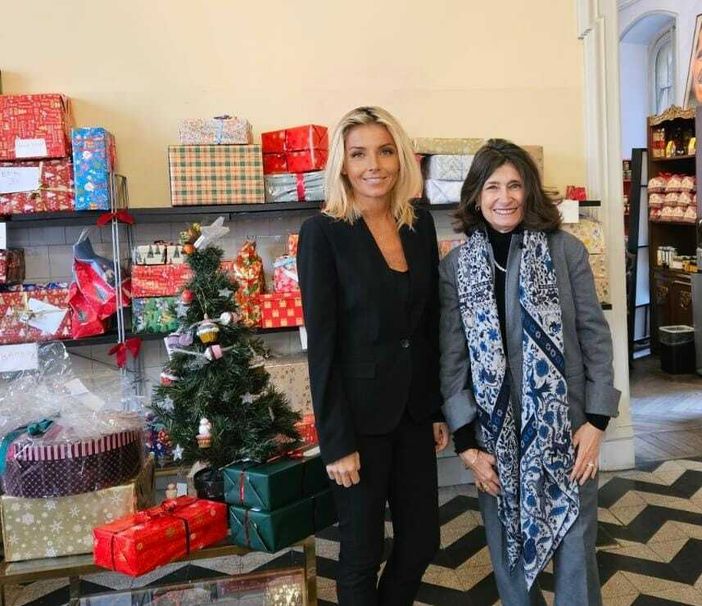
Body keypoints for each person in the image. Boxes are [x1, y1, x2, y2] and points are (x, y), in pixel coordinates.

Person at [439, 139, 620, 605]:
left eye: (515, 185)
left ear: (530, 191)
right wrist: (467, 443)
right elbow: (453, 357)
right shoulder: (456, 266)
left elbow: (595, 338)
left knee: (576, 546)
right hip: (493, 434)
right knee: (508, 550)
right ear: (476, 195)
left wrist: (597, 421)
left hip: (568, 426)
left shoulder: (567, 251)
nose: (505, 197)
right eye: (492, 186)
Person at [298, 106, 449, 606]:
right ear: (342, 164)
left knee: (422, 541)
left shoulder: (419, 225)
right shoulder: (323, 232)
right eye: (359, 154)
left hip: (413, 414)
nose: (374, 165)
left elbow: (427, 328)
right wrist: (335, 441)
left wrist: (434, 408)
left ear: (400, 157)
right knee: (362, 553)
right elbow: (322, 347)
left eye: (385, 151)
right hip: (357, 422)